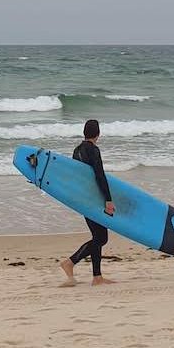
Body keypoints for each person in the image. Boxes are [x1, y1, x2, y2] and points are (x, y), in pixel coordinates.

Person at [59, 119, 116, 286]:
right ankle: (70, 262)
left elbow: (77, 177)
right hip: (95, 199)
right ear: (98, 134)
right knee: (101, 238)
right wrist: (108, 199)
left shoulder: (76, 151)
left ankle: (97, 277)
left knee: (97, 236)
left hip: (83, 199)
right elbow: (100, 176)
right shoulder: (93, 150)